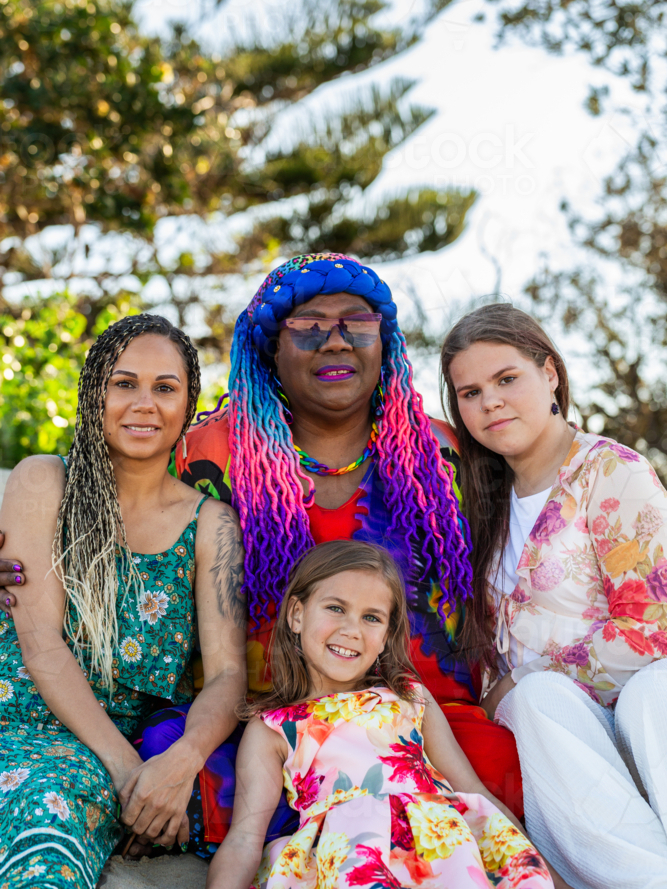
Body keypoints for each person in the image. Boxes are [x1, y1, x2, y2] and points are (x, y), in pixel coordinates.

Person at [0, 252, 523, 855]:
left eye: (356, 324)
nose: (335, 342)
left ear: (388, 344)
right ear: (270, 350)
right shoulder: (203, 453)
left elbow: (524, 531)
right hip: (258, 719)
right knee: (185, 767)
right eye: (307, 328)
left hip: (410, 713)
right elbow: (108, 517)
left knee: (493, 759)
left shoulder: (439, 453)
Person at [0, 314, 246, 888]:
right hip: (40, 726)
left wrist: (179, 765)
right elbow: (40, 643)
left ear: (189, 406)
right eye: (123, 383)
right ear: (93, 394)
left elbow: (228, 673)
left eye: (165, 388)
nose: (144, 403)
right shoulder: (44, 482)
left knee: (45, 821)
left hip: (81, 753)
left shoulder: (212, 526)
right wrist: (127, 770)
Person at [440, 302, 667, 889]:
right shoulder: (477, 502)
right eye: (469, 392)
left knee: (652, 691)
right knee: (538, 701)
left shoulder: (612, 473)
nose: (489, 402)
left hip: (640, 704)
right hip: (550, 724)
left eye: (506, 379)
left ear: (550, 374)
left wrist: (529, 681)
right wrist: (510, 691)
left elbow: (651, 625)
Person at [207, 540, 555, 889]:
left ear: (387, 636)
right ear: (297, 614)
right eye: (335, 608)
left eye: (371, 617)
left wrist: (548, 876)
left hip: (444, 850)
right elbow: (245, 837)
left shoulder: (408, 695)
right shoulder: (274, 727)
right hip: (350, 856)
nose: (352, 630)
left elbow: (476, 793)